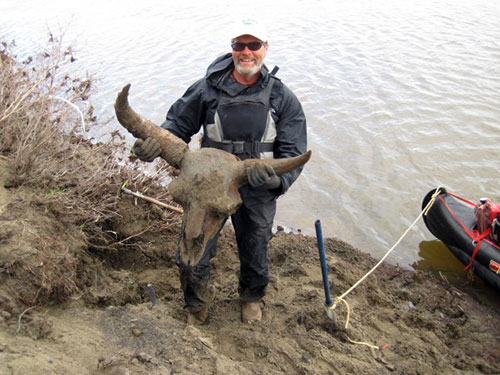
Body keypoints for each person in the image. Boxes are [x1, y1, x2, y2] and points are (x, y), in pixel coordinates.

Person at [133, 18, 307, 325]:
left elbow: (294, 154)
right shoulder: (207, 89)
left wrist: (277, 180)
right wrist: (152, 146)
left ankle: (251, 298)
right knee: (192, 244)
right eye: (239, 45)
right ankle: (196, 305)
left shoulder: (283, 97)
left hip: (256, 183)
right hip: (208, 183)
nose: (246, 52)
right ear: (232, 49)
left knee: (255, 245)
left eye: (253, 45)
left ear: (265, 49)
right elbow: (175, 127)